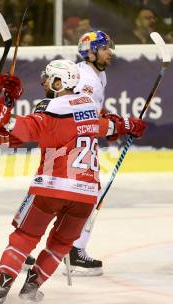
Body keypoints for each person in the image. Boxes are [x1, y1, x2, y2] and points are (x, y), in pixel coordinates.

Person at [0, 59, 147, 304]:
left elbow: (23, 130)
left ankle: (1, 288)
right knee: (60, 244)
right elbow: (107, 126)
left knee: (23, 237)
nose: (44, 82)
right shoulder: (89, 105)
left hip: (51, 187)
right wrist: (126, 125)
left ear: (60, 82)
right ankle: (32, 286)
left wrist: (0, 112)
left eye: (49, 78)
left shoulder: (50, 107)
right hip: (87, 194)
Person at [60, 30, 114, 276]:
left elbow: (92, 113)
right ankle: (73, 251)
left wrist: (107, 120)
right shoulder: (86, 78)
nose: (109, 52)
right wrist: (113, 125)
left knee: (74, 195)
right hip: (73, 143)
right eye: (104, 48)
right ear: (90, 52)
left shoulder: (96, 75)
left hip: (80, 142)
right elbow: (77, 113)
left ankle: (60, 248)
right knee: (87, 193)